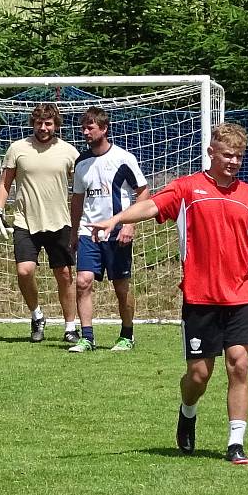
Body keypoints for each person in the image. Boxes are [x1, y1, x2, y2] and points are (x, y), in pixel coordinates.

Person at [87, 123, 248, 465]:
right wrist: (115, 220)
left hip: (241, 295)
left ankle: (235, 443)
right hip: (200, 296)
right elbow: (152, 207)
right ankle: (188, 411)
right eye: (227, 154)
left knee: (239, 365)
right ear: (211, 153)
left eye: (239, 156)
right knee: (199, 375)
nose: (233, 161)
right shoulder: (188, 189)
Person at [0, 103, 80, 344]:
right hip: (25, 221)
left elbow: (82, 186)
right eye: (39, 123)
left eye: (48, 123)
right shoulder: (18, 148)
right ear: (33, 123)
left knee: (64, 274)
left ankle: (70, 327)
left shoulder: (69, 152)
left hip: (59, 221)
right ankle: (37, 315)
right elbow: (5, 183)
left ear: (56, 125)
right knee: (24, 270)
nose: (43, 128)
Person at [69, 107, 150, 352]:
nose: (85, 132)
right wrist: (74, 232)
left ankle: (127, 334)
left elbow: (144, 192)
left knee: (121, 285)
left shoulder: (123, 159)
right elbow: (77, 200)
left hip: (117, 234)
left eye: (90, 127)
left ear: (104, 129)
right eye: (83, 127)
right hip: (88, 232)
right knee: (83, 282)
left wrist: (129, 224)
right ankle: (87, 337)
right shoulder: (81, 162)